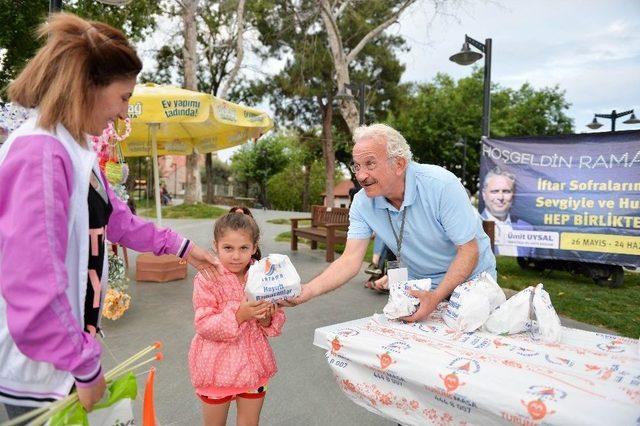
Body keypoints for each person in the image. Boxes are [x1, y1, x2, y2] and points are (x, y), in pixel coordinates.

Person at [0, 13, 220, 419]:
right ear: (85, 87)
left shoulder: (77, 147)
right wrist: (84, 367)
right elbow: (33, 283)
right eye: (122, 98)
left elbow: (117, 220)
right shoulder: (40, 153)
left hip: (67, 357)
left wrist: (184, 247)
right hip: (42, 371)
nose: (123, 114)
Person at [282, 123, 496, 322]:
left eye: (370, 164)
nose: (361, 175)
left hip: (472, 284)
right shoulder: (362, 202)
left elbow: (469, 250)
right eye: (356, 166)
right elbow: (349, 260)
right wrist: (307, 290)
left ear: (399, 164)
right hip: (421, 288)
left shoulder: (441, 185)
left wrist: (436, 296)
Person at [189, 212, 285, 426]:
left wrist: (266, 320)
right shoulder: (207, 277)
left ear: (254, 246)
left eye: (243, 248)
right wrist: (240, 315)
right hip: (215, 369)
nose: (236, 256)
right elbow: (203, 323)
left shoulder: (263, 275)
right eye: (228, 248)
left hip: (253, 368)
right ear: (216, 245)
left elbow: (277, 317)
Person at [480, 167, 534, 257]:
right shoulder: (473, 227)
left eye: (506, 191)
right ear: (484, 194)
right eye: (495, 191)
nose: (500, 197)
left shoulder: (527, 228)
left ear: (513, 195)